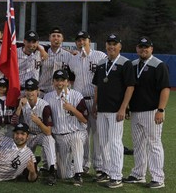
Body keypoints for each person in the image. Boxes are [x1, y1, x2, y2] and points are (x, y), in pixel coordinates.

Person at [123, 37, 170, 189]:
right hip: (136, 111)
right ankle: (138, 174)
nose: (143, 49)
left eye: (146, 47)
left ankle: (158, 178)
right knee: (138, 145)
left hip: (152, 111)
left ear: (152, 49)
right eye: (141, 47)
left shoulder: (159, 65)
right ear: (137, 48)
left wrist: (161, 110)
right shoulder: (133, 64)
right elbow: (130, 88)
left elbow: (165, 88)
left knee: (154, 144)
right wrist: (128, 107)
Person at [92, 34, 136, 189]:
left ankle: (117, 176)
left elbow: (130, 86)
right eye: (109, 43)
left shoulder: (126, 63)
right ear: (106, 45)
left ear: (120, 46)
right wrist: (94, 105)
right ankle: (106, 171)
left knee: (115, 142)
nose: (111, 46)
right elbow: (97, 85)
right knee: (102, 142)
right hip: (102, 109)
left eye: (114, 44)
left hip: (116, 110)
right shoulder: (101, 62)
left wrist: (124, 107)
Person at [69, 30, 107, 175]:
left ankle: (98, 166)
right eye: (78, 40)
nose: (81, 42)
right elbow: (72, 79)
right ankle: (84, 164)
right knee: (82, 134)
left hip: (95, 99)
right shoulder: (73, 59)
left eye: (84, 39)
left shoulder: (100, 56)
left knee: (97, 134)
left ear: (89, 41)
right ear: (76, 43)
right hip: (80, 102)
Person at [43, 70, 88, 186]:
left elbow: (84, 119)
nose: (59, 83)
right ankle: (72, 164)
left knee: (76, 140)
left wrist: (72, 109)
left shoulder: (76, 95)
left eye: (62, 80)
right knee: (64, 175)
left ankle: (78, 174)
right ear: (53, 82)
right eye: (57, 80)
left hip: (76, 131)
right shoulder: (47, 97)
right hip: (59, 136)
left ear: (67, 82)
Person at [11, 78, 57, 186]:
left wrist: (39, 122)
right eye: (28, 89)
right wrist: (19, 107)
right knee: (22, 160)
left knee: (49, 140)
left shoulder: (44, 105)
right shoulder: (22, 103)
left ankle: (52, 171)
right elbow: (13, 123)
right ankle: (28, 167)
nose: (30, 92)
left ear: (38, 91)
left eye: (32, 90)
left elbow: (48, 131)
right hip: (28, 136)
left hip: (41, 133)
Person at [39, 27, 73, 95]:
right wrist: (41, 49)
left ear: (62, 38)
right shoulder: (42, 53)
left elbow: (72, 76)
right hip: (43, 92)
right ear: (49, 38)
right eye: (53, 36)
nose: (56, 38)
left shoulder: (69, 56)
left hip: (61, 92)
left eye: (58, 36)